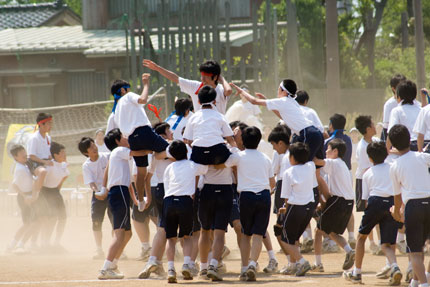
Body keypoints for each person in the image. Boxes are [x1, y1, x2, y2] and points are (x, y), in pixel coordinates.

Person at [344, 141, 402, 285]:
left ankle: (357, 272)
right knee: (387, 244)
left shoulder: (367, 173)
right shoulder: (393, 167)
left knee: (361, 238)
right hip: (391, 203)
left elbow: (365, 200)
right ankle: (394, 266)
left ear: (370, 158)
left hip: (375, 202)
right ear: (386, 153)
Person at [222, 126, 275, 281]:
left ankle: (244, 268)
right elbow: (272, 184)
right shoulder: (266, 158)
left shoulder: (239, 156)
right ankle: (252, 263)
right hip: (264, 195)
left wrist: (231, 143)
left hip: (246, 197)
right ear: (259, 141)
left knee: (246, 234)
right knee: (259, 233)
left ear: (243, 140)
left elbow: (226, 163)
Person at [97, 128, 151, 280]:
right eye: (123, 137)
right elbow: (138, 153)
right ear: (117, 141)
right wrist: (153, 148)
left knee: (127, 234)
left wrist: (135, 200)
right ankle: (105, 268)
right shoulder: (119, 150)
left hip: (121, 193)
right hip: (118, 193)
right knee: (120, 233)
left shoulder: (118, 155)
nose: (127, 139)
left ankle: (112, 264)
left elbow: (127, 182)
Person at [113, 73, 168, 212]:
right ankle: (155, 167)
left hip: (133, 138)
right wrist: (146, 84)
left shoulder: (116, 110)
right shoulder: (129, 96)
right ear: (123, 90)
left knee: (141, 171)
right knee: (171, 150)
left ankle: (141, 200)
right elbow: (143, 99)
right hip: (144, 131)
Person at [162, 140, 208, 283]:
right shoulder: (192, 165)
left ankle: (170, 269)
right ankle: (186, 264)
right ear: (186, 151)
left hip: (169, 201)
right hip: (185, 201)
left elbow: (166, 186)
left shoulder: (169, 168)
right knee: (187, 236)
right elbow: (205, 169)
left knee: (171, 238)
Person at [389, 124, 430, 287]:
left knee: (415, 251)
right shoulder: (422, 157)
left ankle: (424, 284)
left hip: (413, 206)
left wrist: (397, 213)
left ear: (392, 143)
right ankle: (417, 279)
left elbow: (397, 196)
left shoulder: (395, 166)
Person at [313, 139, 355, 272]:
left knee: (319, 230)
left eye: (328, 149)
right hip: (348, 203)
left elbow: (316, 162)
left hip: (338, 201)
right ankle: (349, 250)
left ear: (335, 152)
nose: (325, 151)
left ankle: (318, 264)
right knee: (331, 231)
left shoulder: (334, 162)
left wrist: (310, 150)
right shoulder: (343, 165)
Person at [279, 142, 316, 277]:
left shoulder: (288, 172)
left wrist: (285, 209)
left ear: (292, 157)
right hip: (309, 207)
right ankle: (296, 265)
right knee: (294, 238)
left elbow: (286, 197)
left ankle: (301, 261)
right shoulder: (310, 167)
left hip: (295, 207)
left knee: (284, 239)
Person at [143, 59, 232, 114]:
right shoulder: (195, 86)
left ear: (215, 77)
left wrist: (222, 78)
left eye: (206, 77)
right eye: (202, 76)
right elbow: (175, 78)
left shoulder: (220, 89)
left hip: (219, 131)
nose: (203, 79)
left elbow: (228, 91)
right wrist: (157, 68)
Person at [183, 86, 236, 165]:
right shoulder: (220, 116)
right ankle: (235, 177)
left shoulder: (193, 117)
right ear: (214, 101)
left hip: (199, 155)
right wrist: (236, 150)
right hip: (218, 154)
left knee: (194, 166)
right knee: (235, 160)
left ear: (198, 101)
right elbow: (230, 138)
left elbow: (187, 140)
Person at [79, 137, 112, 259]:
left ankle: (118, 249)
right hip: (98, 194)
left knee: (115, 221)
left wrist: (106, 190)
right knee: (96, 221)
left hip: (111, 192)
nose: (94, 148)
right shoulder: (86, 166)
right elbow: (91, 183)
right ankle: (99, 249)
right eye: (91, 147)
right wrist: (98, 192)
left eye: (94, 145)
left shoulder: (107, 157)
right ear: (85, 153)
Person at [7, 145, 38, 252]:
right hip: (25, 197)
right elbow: (14, 185)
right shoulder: (19, 169)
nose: (24, 154)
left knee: (31, 223)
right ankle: (19, 244)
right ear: (16, 157)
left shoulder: (25, 165)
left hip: (29, 196)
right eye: (21, 154)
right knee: (29, 223)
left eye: (24, 151)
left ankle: (13, 244)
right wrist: (25, 196)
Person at [41, 142, 70, 249]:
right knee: (51, 219)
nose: (65, 154)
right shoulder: (49, 166)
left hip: (55, 192)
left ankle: (56, 243)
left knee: (63, 218)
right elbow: (41, 180)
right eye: (62, 153)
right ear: (56, 155)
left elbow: (65, 176)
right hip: (45, 192)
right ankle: (45, 243)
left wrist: (57, 189)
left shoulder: (63, 165)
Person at [388, 80, 421, 151]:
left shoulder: (397, 110)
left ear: (398, 96)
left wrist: (387, 150)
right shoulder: (421, 109)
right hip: (425, 144)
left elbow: (391, 133)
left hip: (408, 146)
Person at [354, 115, 377, 212]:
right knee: (367, 210)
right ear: (368, 129)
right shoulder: (362, 147)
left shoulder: (376, 141)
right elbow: (365, 169)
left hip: (375, 178)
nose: (375, 126)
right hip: (364, 181)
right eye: (373, 124)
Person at [382, 74, 406, 141]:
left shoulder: (412, 101)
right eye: (400, 86)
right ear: (393, 89)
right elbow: (386, 128)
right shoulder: (389, 104)